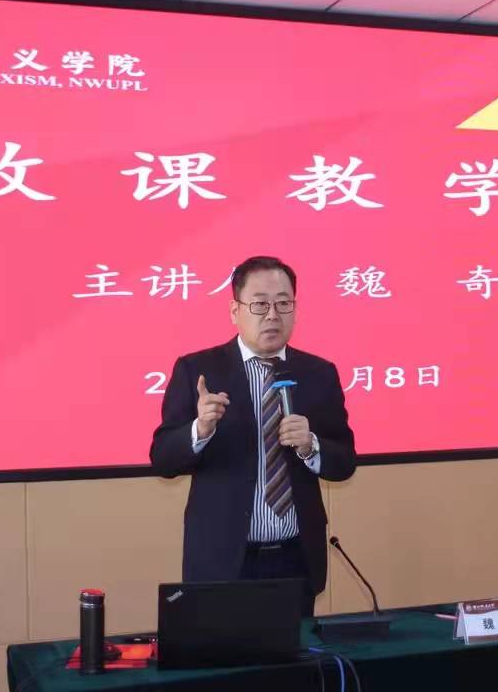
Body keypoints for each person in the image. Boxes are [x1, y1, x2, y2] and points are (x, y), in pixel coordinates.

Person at [150, 255, 356, 616]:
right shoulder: (198, 370)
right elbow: (163, 459)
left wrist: (311, 446)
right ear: (235, 311)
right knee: (224, 653)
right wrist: (200, 430)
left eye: (283, 303)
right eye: (260, 304)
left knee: (293, 653)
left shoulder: (319, 373)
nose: (273, 315)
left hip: (295, 559)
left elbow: (344, 462)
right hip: (223, 560)